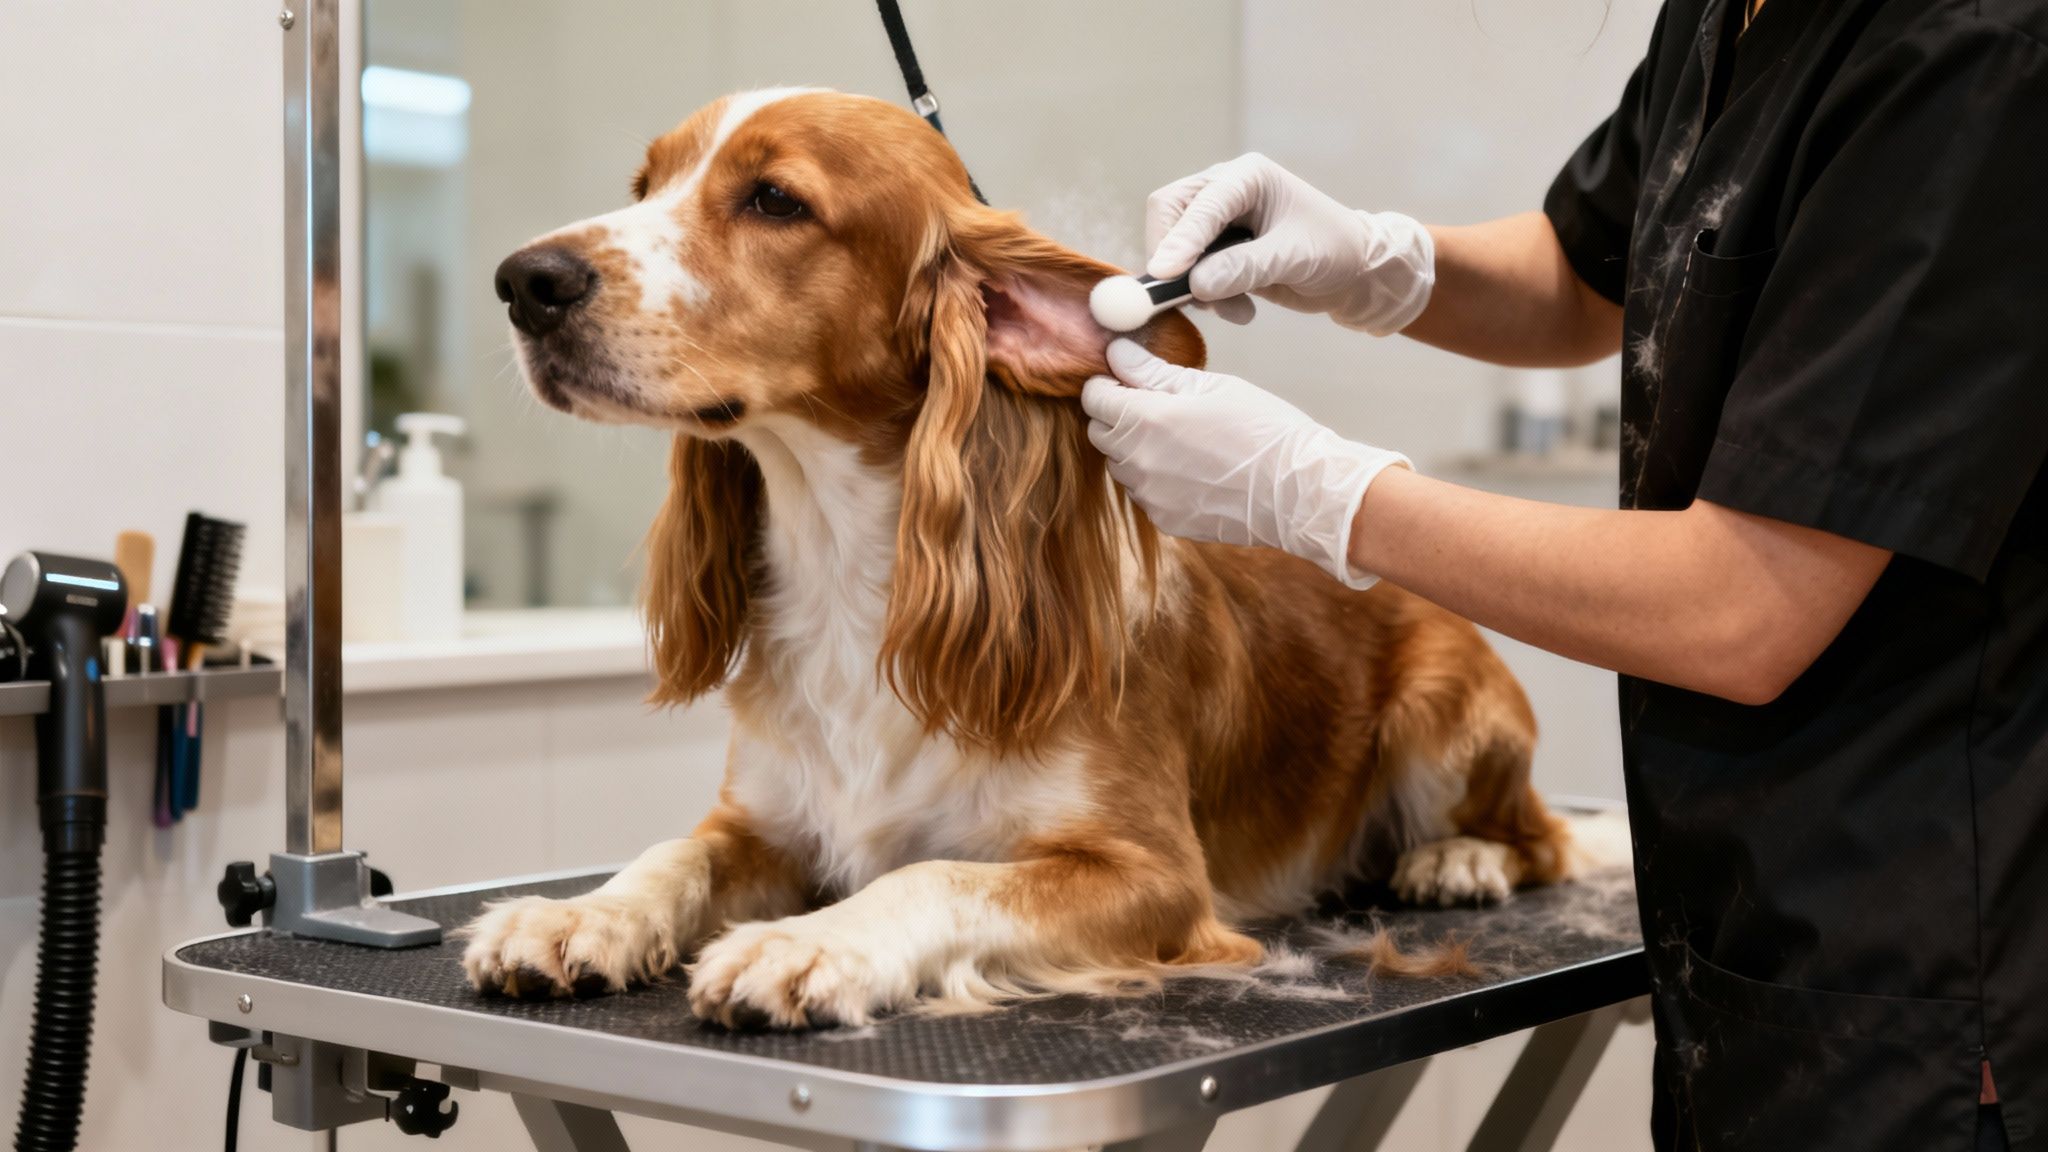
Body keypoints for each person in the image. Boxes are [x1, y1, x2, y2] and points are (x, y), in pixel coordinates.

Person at [1079, 1, 2047, 1148]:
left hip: (1929, 985)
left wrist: (1319, 494)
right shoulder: (1722, 15)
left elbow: (1741, 609)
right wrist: (1372, 260)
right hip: (1744, 945)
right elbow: (1582, 272)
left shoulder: (1979, 53)